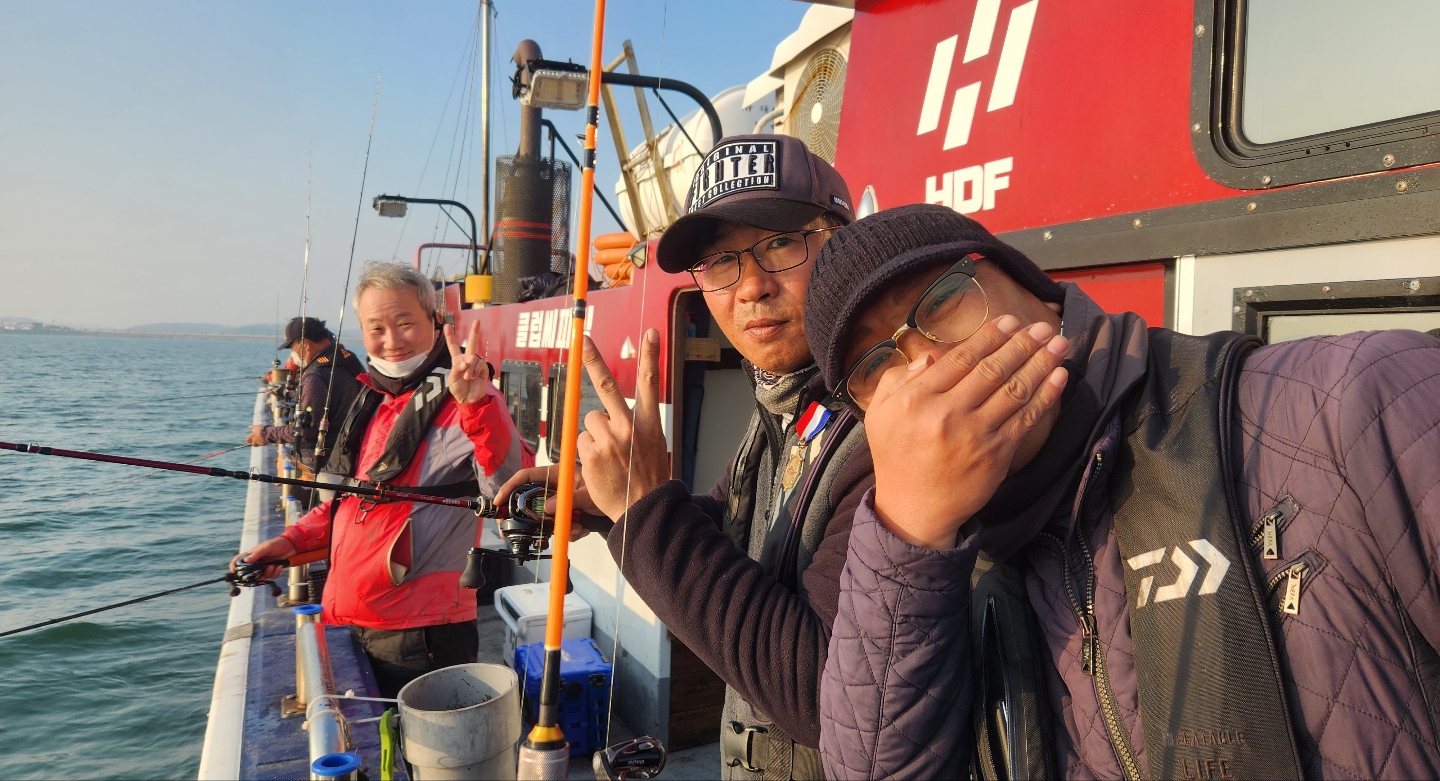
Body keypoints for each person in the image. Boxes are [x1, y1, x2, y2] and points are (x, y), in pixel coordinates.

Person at [806, 203, 1440, 779]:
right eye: (874, 365)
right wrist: (910, 532)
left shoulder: (1359, 395)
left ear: (1035, 288)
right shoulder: (929, 565)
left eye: (943, 301)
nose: (926, 365)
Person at [498, 134, 873, 779]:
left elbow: (824, 689)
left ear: (843, 244)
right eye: (720, 261)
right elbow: (732, 524)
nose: (750, 286)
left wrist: (645, 508)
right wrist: (612, 508)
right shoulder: (784, 399)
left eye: (781, 242)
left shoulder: (887, 422)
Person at [232, 261, 532, 698]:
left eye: (405, 323)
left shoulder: (470, 400)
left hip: (421, 634)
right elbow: (350, 502)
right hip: (351, 618)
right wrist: (290, 541)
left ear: (435, 320)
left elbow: (510, 489)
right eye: (376, 328)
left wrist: (478, 406)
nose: (391, 341)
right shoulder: (375, 399)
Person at [246, 316, 365, 472]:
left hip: (325, 465)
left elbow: (303, 432)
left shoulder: (315, 378)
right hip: (354, 455)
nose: (293, 354)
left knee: (284, 465)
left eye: (293, 348)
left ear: (306, 345)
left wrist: (265, 433)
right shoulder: (349, 360)